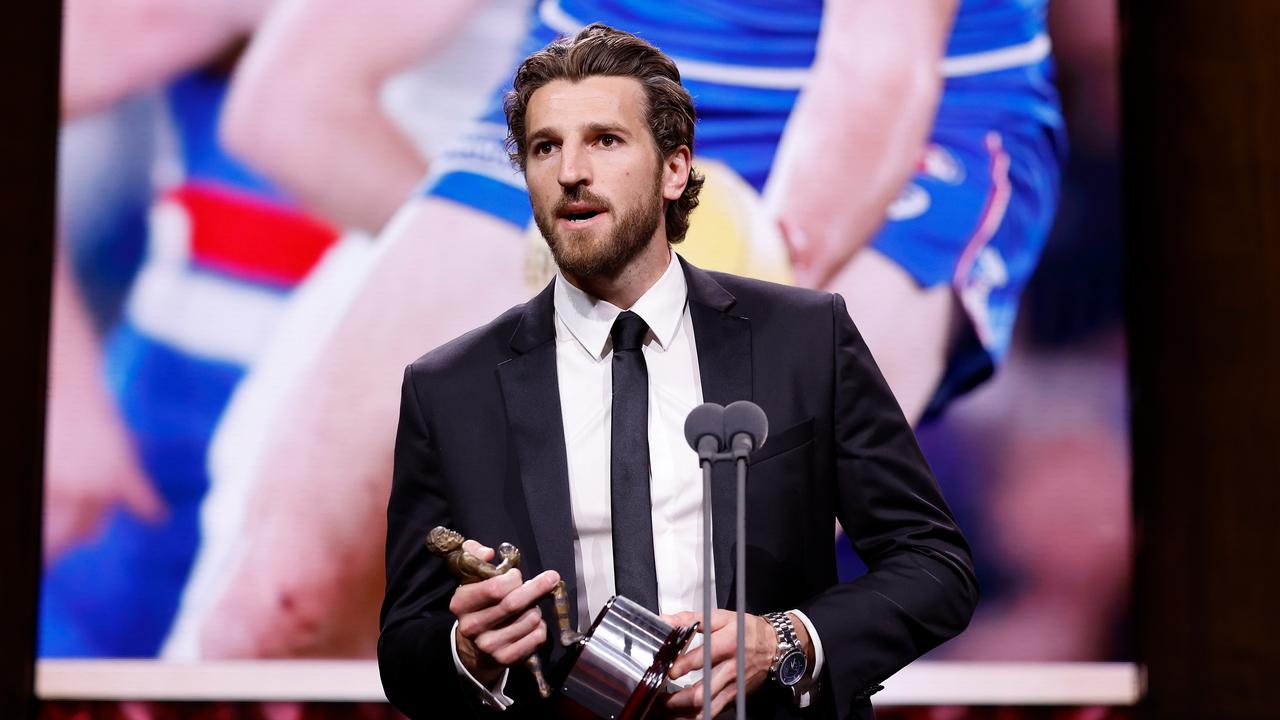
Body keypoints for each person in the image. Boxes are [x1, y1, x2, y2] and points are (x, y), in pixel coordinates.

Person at [185, 0, 1057, 660]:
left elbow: (878, 73)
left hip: (920, 93)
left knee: (653, 647)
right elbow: (285, 101)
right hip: (606, 59)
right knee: (277, 599)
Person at [379, 24, 977, 720]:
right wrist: (468, 652)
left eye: (605, 140)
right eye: (546, 147)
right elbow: (404, 652)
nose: (572, 170)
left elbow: (935, 566)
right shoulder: (449, 388)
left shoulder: (805, 339)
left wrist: (784, 640)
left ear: (673, 170)